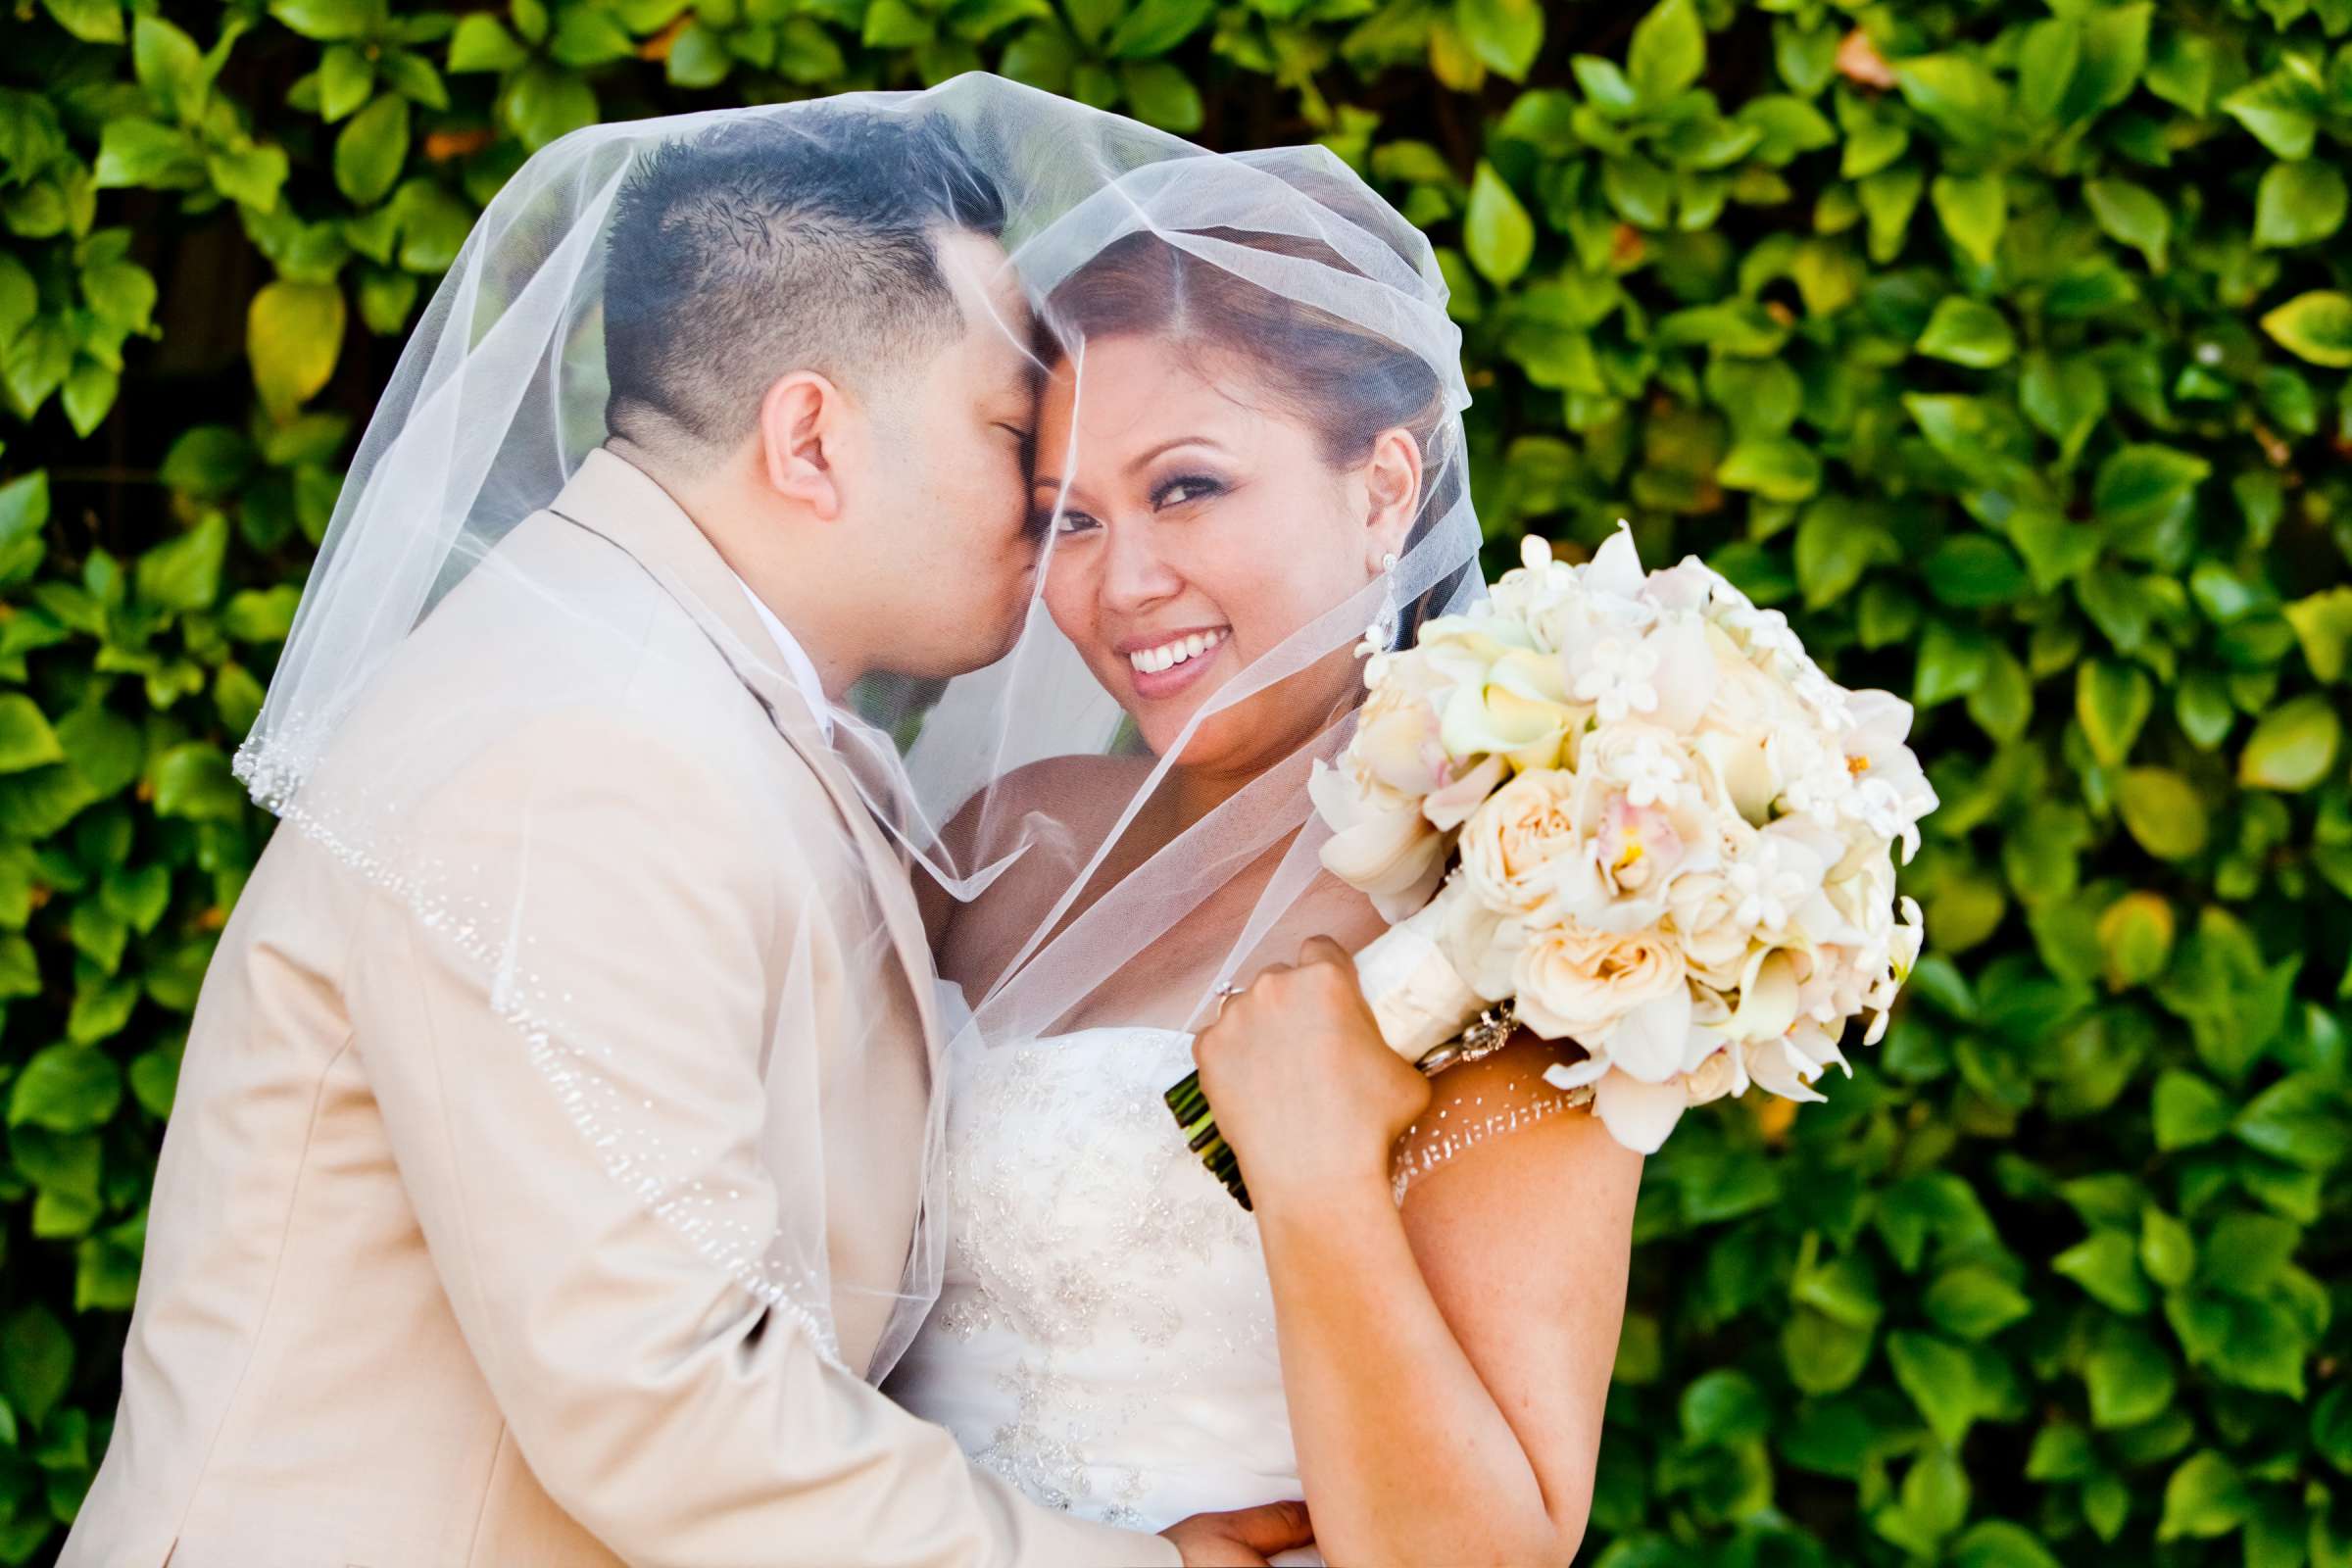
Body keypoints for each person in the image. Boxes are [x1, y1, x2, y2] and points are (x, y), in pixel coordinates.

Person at [63, 87, 1307, 1568]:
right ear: (810, 438)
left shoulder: (660, 683)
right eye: (1002, 430)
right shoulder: (582, 752)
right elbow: (668, 1399)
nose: (1044, 508)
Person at [885, 153, 1642, 1566]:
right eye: (1069, 517)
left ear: (1384, 488)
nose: (1121, 585)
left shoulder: (1506, 918)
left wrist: (1313, 1176)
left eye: (1187, 487)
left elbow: (1486, 1554)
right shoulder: (1009, 835)